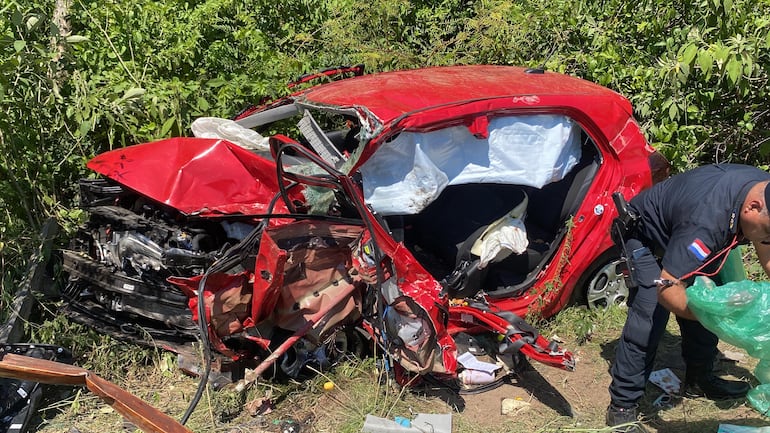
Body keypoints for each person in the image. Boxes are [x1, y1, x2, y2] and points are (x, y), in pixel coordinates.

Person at [605, 163, 770, 433]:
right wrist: (711, 315)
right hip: (646, 237)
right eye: (768, 231)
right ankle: (622, 407)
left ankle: (699, 379)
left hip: (687, 235)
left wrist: (709, 309)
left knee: (707, 300)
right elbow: (666, 289)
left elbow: (767, 251)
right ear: (751, 207)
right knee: (649, 317)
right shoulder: (707, 222)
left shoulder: (764, 192)